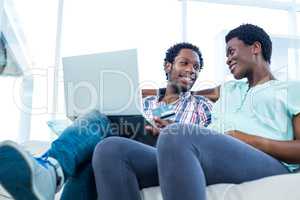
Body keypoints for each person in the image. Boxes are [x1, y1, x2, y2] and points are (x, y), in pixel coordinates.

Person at [92, 24, 300, 200]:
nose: (227, 59)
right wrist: (145, 96)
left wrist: (247, 139)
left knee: (178, 136)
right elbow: (183, 90)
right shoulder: (228, 89)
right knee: (111, 150)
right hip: (212, 157)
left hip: (267, 162)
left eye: (231, 51)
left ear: (255, 48)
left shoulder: (291, 89)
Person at [0, 42, 212, 200]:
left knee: (100, 130)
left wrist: (172, 132)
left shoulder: (200, 105)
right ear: (168, 66)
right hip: (120, 148)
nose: (192, 70)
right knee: (98, 137)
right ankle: (51, 171)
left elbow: (203, 142)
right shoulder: (142, 102)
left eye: (197, 67)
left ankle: (50, 173)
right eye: (185, 63)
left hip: (163, 154)